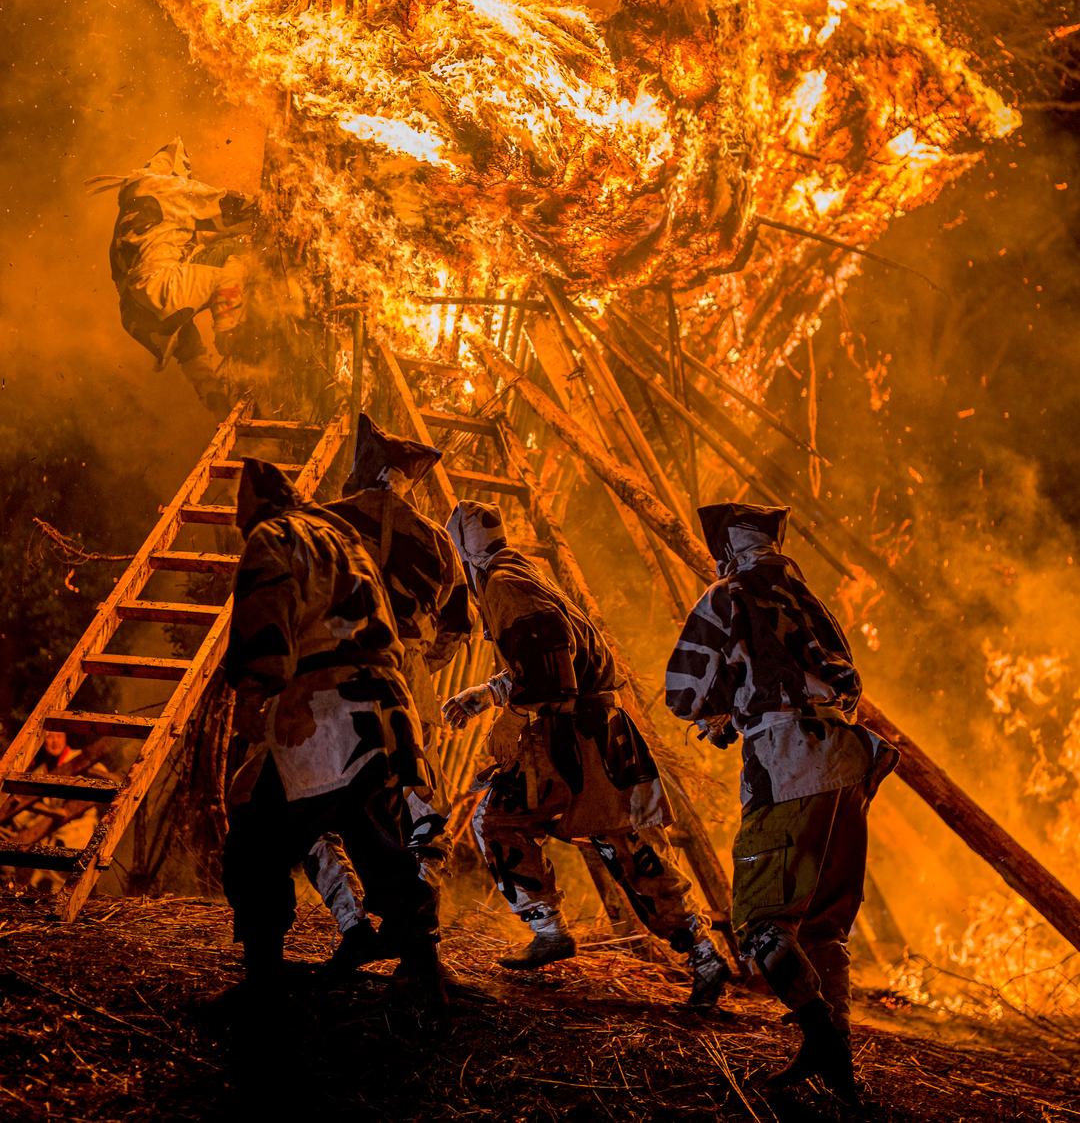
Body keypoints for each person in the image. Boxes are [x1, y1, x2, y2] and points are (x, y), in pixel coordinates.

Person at [442, 500, 730, 1009]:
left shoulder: (504, 584)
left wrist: (511, 717)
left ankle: (556, 931)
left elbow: (552, 667)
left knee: (510, 824)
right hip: (593, 733)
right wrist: (487, 694)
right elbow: (553, 657)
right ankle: (697, 953)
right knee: (616, 845)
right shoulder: (523, 574)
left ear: (464, 551)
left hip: (576, 739)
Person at [665, 501, 900, 1104]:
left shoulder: (726, 596)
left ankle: (821, 1038)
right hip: (848, 763)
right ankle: (839, 1065)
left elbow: (682, 692)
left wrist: (725, 714)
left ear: (728, 549)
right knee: (822, 925)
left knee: (760, 925)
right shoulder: (811, 601)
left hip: (788, 766)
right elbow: (845, 683)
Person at [221, 458, 447, 1004]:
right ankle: (422, 965)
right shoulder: (343, 537)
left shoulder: (274, 537)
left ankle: (264, 979)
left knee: (256, 838)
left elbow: (265, 620)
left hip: (323, 708)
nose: (239, 521)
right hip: (386, 705)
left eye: (240, 511)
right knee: (379, 838)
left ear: (258, 505)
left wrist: (253, 691)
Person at [305, 413, 473, 973]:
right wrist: (416, 659)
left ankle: (353, 924)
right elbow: (457, 629)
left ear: (365, 468)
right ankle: (420, 938)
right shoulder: (437, 541)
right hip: (406, 685)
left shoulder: (322, 523)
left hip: (332, 680)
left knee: (309, 805)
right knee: (419, 807)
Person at [96, 137, 256, 414]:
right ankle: (227, 333)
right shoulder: (165, 186)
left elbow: (184, 244)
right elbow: (229, 207)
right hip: (162, 285)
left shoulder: (132, 213)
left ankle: (211, 392)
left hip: (135, 313)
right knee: (238, 252)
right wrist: (271, 209)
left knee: (187, 347)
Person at [0, 732, 113, 893]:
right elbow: (26, 809)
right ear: (42, 741)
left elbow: (106, 782)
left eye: (58, 737)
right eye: (50, 737)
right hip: (52, 830)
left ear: (65, 738)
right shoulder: (41, 771)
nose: (55, 742)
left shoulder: (80, 759)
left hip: (79, 828)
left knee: (79, 873)